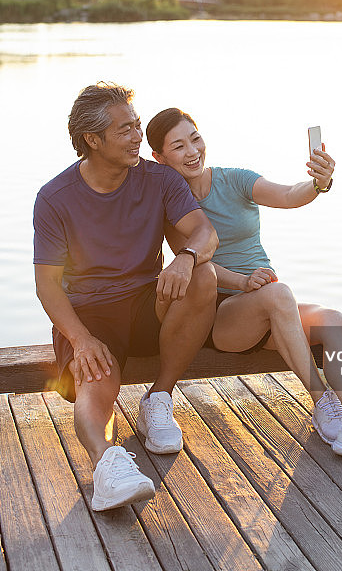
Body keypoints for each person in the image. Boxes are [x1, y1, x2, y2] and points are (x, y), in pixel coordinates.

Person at [146, 108, 342, 466]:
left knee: (333, 319)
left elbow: (288, 194)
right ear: (159, 158)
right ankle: (322, 405)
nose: (192, 151)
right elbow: (195, 261)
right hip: (222, 318)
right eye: (178, 146)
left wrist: (319, 183)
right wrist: (243, 281)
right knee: (279, 293)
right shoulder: (173, 203)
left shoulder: (234, 180)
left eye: (195, 138)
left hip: (272, 309)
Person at [33, 84, 218, 512]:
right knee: (95, 383)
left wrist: (185, 258)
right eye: (126, 130)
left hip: (145, 303)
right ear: (93, 140)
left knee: (203, 276)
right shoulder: (55, 197)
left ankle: (159, 398)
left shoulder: (160, 179)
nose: (138, 136)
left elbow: (205, 232)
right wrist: (79, 339)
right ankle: (108, 465)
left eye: (137, 125)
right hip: (87, 313)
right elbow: (47, 285)